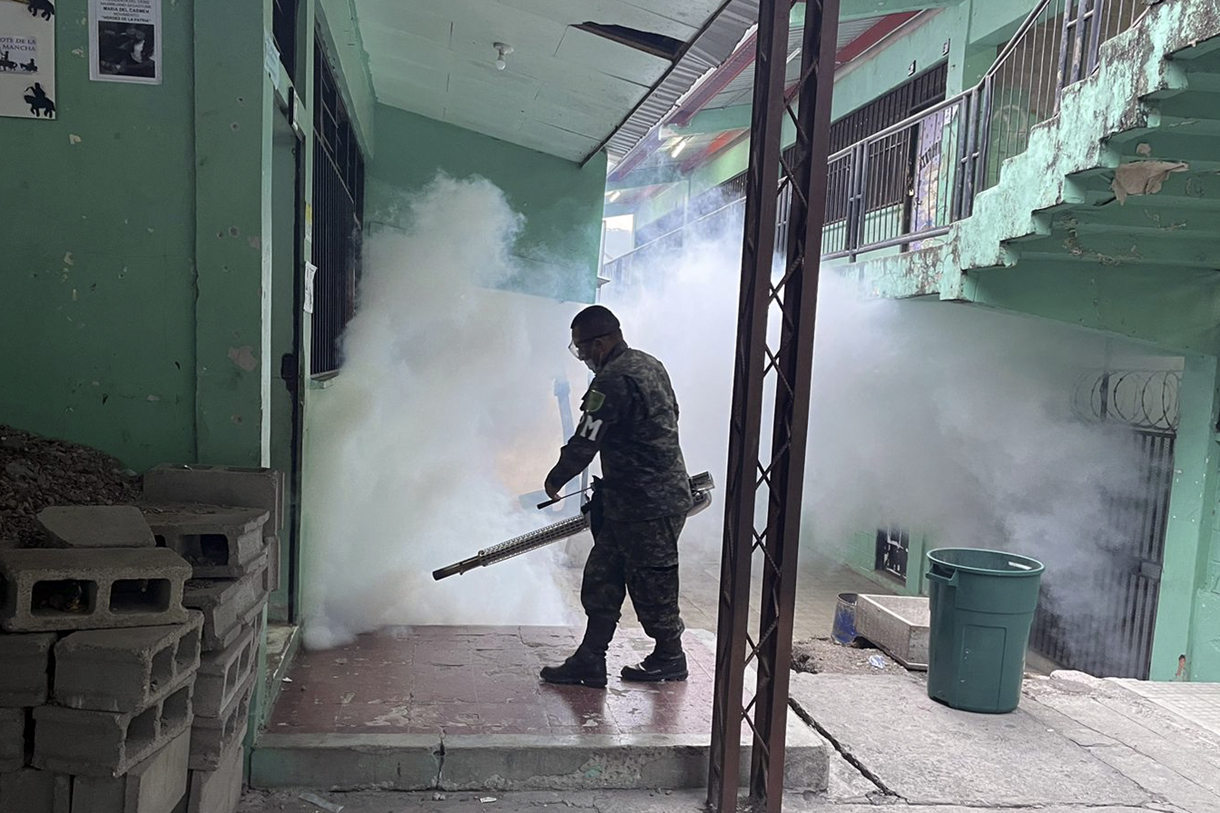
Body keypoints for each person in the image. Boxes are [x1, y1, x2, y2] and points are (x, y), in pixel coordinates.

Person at [539, 305, 693, 688]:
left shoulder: (612, 380)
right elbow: (669, 415)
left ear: (602, 341)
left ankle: (670, 657)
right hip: (636, 500)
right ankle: (590, 659)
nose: (584, 358)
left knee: (652, 582)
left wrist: (557, 478)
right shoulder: (650, 364)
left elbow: (587, 439)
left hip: (647, 505)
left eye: (583, 349)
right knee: (603, 576)